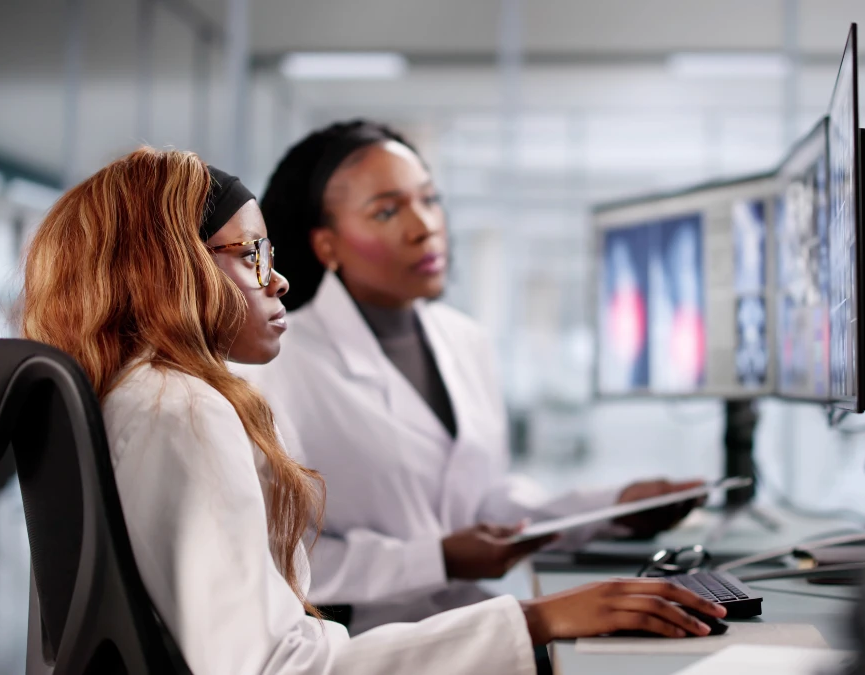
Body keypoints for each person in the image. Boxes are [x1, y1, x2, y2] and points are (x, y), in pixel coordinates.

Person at [18, 147, 725, 674]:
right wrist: (532, 621)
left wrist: (606, 512)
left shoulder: (141, 394)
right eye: (253, 254)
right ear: (169, 269)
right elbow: (271, 667)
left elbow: (480, 498)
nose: (279, 278)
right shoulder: (184, 410)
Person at [240, 120, 706, 633]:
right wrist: (436, 559)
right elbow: (279, 558)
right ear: (327, 245)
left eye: (429, 199)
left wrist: (611, 510)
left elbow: (485, 503)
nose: (424, 226)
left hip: (473, 625)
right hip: (370, 643)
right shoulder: (277, 365)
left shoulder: (465, 340)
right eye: (387, 211)